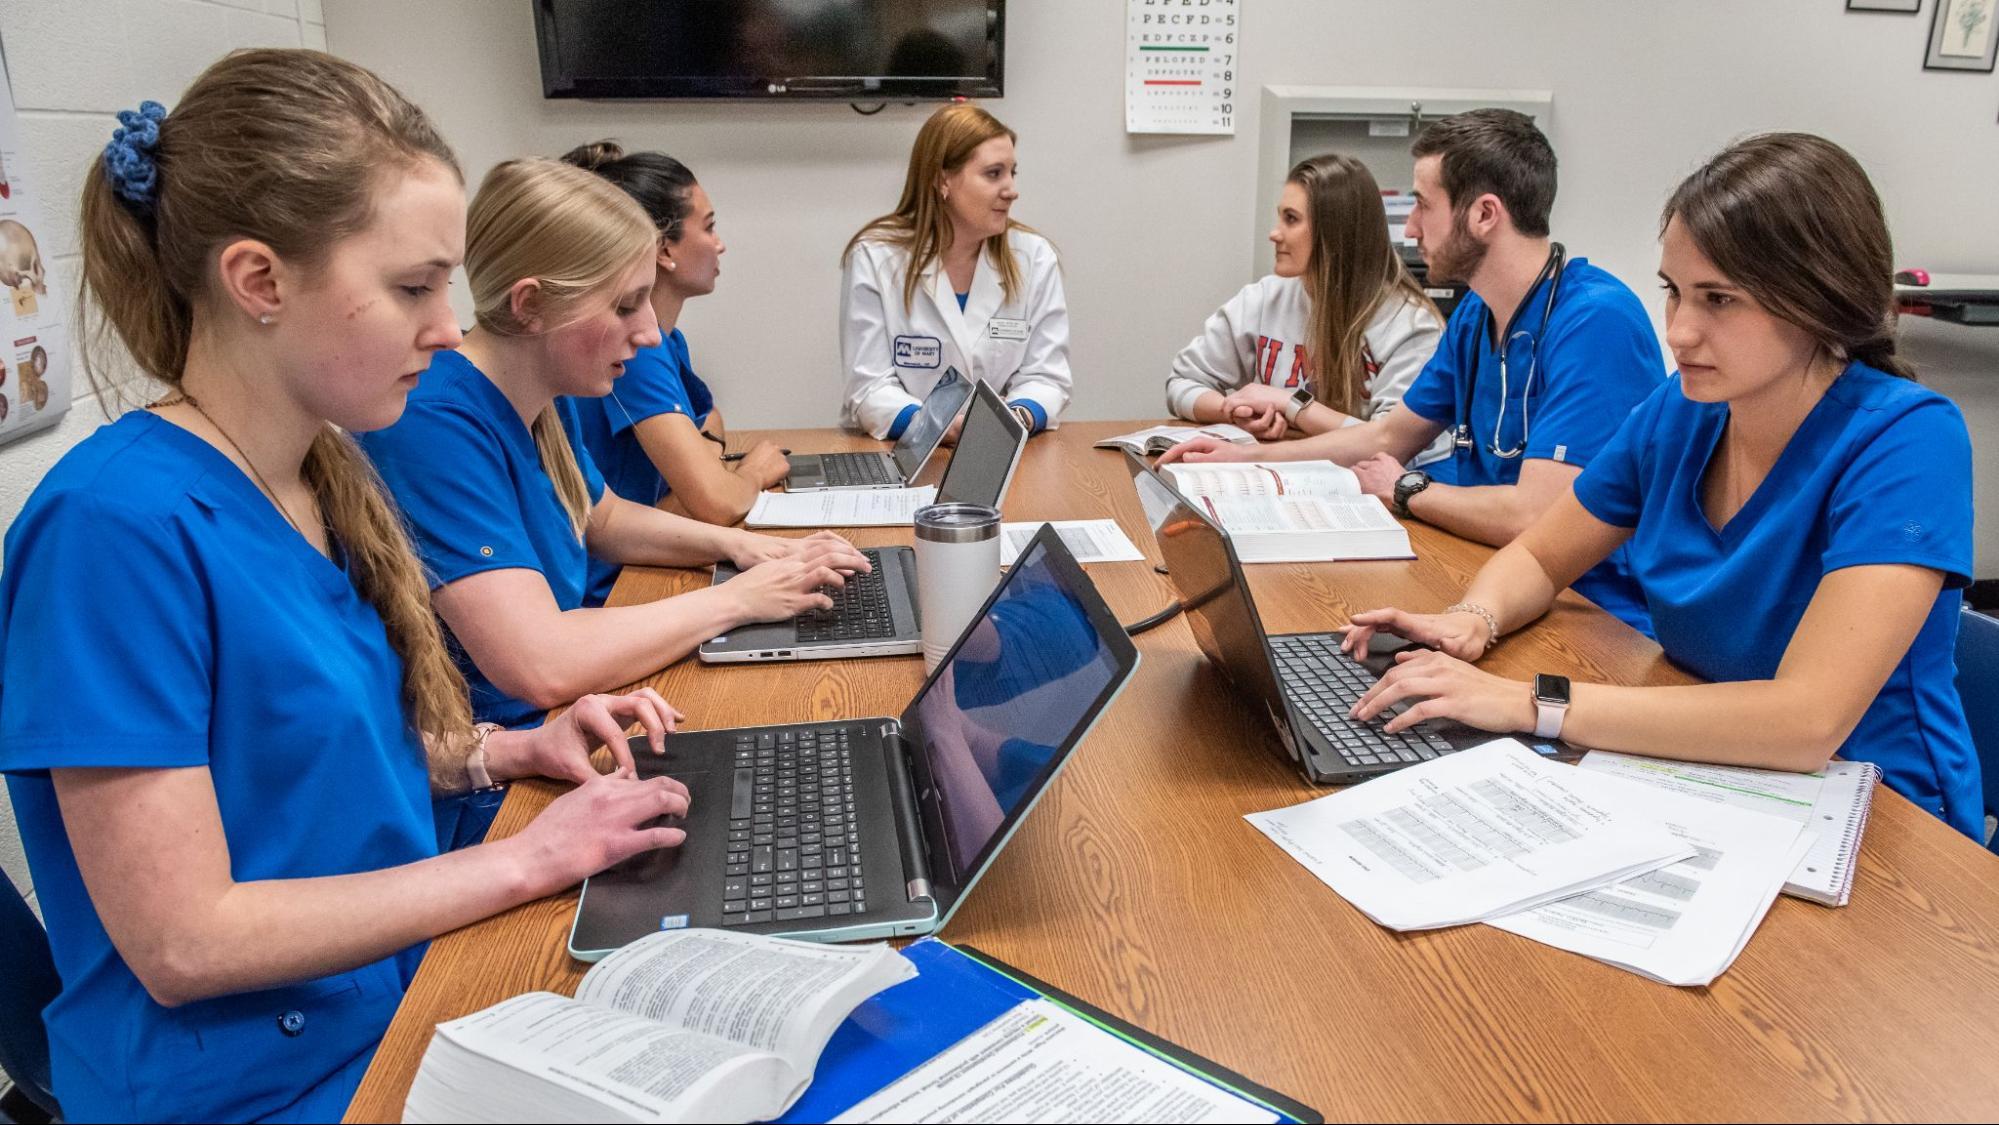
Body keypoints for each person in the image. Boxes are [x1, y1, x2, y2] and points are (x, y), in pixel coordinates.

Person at [0, 50, 694, 1122]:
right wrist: (528, 861)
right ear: (259, 281)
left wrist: (506, 751)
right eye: (412, 287)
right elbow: (186, 939)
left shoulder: (315, 474)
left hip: (389, 997)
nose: (444, 328)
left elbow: (292, 763)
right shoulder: (113, 528)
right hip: (251, 1086)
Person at [1341, 133, 1982, 841]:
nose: (1677, 331)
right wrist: (1473, 619)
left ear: (1817, 298)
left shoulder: (1907, 439)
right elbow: (1538, 556)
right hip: (1704, 771)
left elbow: (1804, 721)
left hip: (1878, 820)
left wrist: (1529, 702)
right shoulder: (1681, 412)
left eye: (1718, 300)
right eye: (1673, 292)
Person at [358, 158, 869, 732]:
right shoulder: (433, 423)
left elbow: (600, 516)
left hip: (567, 707)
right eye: (625, 305)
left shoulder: (537, 394)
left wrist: (745, 549)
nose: (650, 332)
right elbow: (539, 663)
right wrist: (740, 599)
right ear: (530, 306)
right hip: (514, 746)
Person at [1165, 110, 1663, 635]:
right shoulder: (1476, 315)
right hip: (1485, 576)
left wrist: (1408, 489)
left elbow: (1536, 515)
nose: (1409, 228)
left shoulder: (1596, 322)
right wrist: (1246, 458)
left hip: (1593, 615)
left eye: (1423, 206)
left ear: (1485, 215)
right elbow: (1386, 436)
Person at [559, 141, 791, 606]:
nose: (720, 243)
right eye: (708, 227)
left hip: (653, 551)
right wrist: (750, 473)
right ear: (664, 248)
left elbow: (713, 421)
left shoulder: (665, 342)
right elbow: (716, 504)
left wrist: (708, 467)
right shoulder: (636, 356)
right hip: (621, 581)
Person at [1165, 152, 1450, 466]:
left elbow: (1394, 445)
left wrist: (1293, 405)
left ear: (1335, 233)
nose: (1275, 233)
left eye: (1291, 219)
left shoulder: (1409, 325)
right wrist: (1234, 410)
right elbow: (1181, 383)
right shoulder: (1263, 298)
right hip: (1279, 475)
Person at [841, 102, 1069, 441]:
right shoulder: (875, 258)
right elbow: (869, 386)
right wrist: (934, 425)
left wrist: (1017, 416)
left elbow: (1047, 376)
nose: (1011, 190)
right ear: (942, 180)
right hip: (902, 452)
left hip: (1001, 451)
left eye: (1012, 172)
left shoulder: (1033, 257)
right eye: (994, 174)